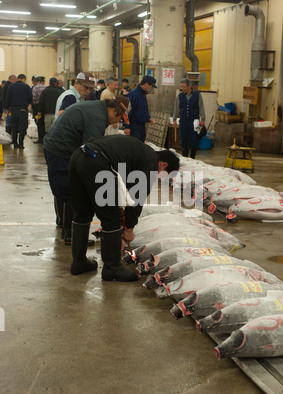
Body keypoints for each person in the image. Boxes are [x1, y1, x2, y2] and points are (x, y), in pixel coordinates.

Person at [68, 134, 180, 281]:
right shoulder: (150, 162)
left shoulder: (139, 152)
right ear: (163, 165)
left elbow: (123, 186)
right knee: (111, 220)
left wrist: (120, 205)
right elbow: (137, 197)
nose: (158, 176)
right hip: (97, 163)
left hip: (78, 157)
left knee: (82, 214)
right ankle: (112, 268)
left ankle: (78, 262)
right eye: (162, 175)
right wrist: (129, 228)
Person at [43, 95, 130, 245]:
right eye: (120, 118)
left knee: (63, 188)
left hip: (57, 146)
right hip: (60, 150)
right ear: (114, 111)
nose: (118, 123)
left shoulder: (97, 107)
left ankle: (63, 224)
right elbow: (91, 149)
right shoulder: (97, 118)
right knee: (72, 191)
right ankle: (71, 234)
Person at [173, 77, 206, 159]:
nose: (182, 88)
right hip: (183, 121)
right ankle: (185, 159)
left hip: (195, 122)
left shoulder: (197, 95)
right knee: (183, 140)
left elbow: (201, 107)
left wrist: (203, 119)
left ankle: (192, 159)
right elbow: (176, 108)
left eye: (183, 87)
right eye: (181, 86)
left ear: (189, 86)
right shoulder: (180, 96)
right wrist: (174, 119)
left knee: (194, 140)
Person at [5, 74, 32, 149]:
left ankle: (15, 144)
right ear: (24, 79)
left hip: (13, 109)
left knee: (14, 126)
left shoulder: (11, 86)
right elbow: (30, 97)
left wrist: (7, 108)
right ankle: (21, 144)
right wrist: (28, 103)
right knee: (22, 127)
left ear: (18, 78)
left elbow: (8, 98)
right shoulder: (26, 86)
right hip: (23, 109)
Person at [128, 75, 157, 143]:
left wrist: (148, 118)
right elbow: (128, 112)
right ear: (146, 84)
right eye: (151, 86)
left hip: (141, 126)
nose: (152, 88)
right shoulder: (134, 94)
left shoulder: (143, 94)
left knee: (140, 146)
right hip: (134, 126)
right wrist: (127, 127)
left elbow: (143, 109)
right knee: (135, 148)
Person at [32, 76, 46, 144]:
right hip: (44, 107)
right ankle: (44, 138)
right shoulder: (45, 87)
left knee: (38, 122)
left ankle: (40, 139)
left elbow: (33, 98)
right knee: (43, 123)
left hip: (37, 107)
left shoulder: (35, 88)